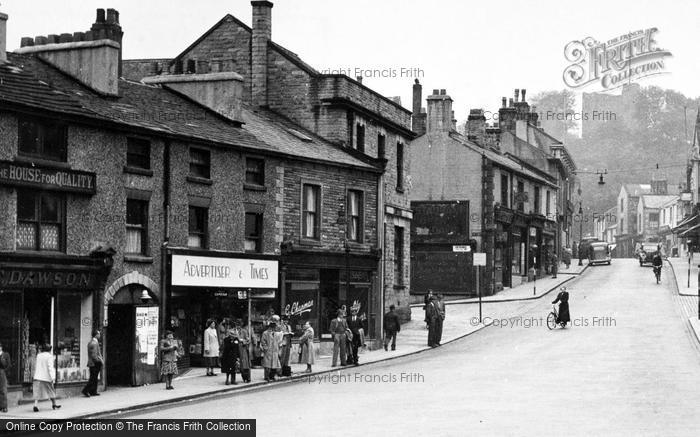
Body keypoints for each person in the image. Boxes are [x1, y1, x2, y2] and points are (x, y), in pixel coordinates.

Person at [32, 344, 60, 412]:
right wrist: (53, 377)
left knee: (37, 391)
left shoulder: (39, 355)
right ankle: (54, 404)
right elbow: (50, 367)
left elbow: (37, 365)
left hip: (38, 376)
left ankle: (35, 405)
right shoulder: (49, 356)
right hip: (46, 377)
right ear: (49, 350)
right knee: (51, 390)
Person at [82, 329, 103, 397]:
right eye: (99, 334)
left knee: (95, 377)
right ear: (96, 335)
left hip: (94, 363)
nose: (100, 335)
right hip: (94, 363)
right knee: (93, 378)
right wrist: (99, 361)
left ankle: (93, 391)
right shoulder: (93, 343)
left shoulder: (94, 342)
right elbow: (94, 355)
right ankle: (85, 390)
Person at [261, 316, 282, 381]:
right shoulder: (265, 333)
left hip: (275, 350)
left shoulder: (276, 334)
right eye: (272, 327)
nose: (273, 329)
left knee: (274, 365)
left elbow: (279, 342)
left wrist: (278, 348)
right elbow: (263, 341)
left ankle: (272, 376)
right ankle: (266, 376)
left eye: (274, 327)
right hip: (268, 351)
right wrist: (265, 348)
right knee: (267, 365)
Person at [0, 342, 10, 413]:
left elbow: (7, 365)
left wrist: (1, 357)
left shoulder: (5, 355)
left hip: (1, 373)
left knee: (3, 390)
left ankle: (4, 407)